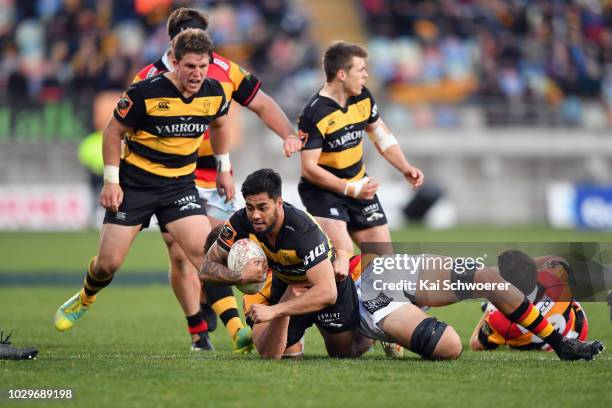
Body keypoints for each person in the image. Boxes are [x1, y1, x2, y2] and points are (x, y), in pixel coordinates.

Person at [133, 7, 302, 352]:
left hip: (217, 173)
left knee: (226, 248)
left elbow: (262, 103)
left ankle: (225, 306)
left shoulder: (226, 71)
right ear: (174, 46)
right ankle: (204, 329)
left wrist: (289, 134)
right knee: (186, 251)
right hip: (174, 176)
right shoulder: (149, 78)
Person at [54, 29, 231, 351]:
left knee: (204, 256)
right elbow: (111, 133)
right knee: (108, 263)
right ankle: (85, 297)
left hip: (179, 187)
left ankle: (230, 331)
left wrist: (224, 169)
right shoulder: (145, 92)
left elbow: (219, 126)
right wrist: (111, 181)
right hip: (135, 186)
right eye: (190, 66)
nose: (197, 74)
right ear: (174, 61)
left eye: (203, 66)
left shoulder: (214, 93)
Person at [201, 169, 371, 359]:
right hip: (287, 285)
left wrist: (342, 253)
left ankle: (376, 322)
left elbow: (328, 290)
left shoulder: (301, 229)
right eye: (250, 208)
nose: (255, 215)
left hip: (326, 285)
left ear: (278, 203)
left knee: (343, 352)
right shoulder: (241, 227)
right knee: (285, 354)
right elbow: (206, 270)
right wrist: (240, 276)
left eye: (262, 207)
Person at [297, 40, 424, 281]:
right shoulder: (314, 112)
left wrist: (404, 167)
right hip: (324, 191)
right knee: (344, 257)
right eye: (361, 70)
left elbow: (382, 137)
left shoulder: (363, 96)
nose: (366, 75)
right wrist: (349, 188)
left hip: (359, 185)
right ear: (342, 74)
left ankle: (378, 313)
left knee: (384, 263)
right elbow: (309, 168)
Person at [350, 250, 605, 361]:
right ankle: (386, 334)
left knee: (484, 277)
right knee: (450, 346)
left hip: (386, 269)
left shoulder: (500, 318)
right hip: (366, 287)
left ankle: (561, 344)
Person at [470, 256, 589, 351]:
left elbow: (475, 345)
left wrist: (491, 307)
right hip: (579, 330)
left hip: (535, 342)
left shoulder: (500, 321)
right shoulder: (554, 275)